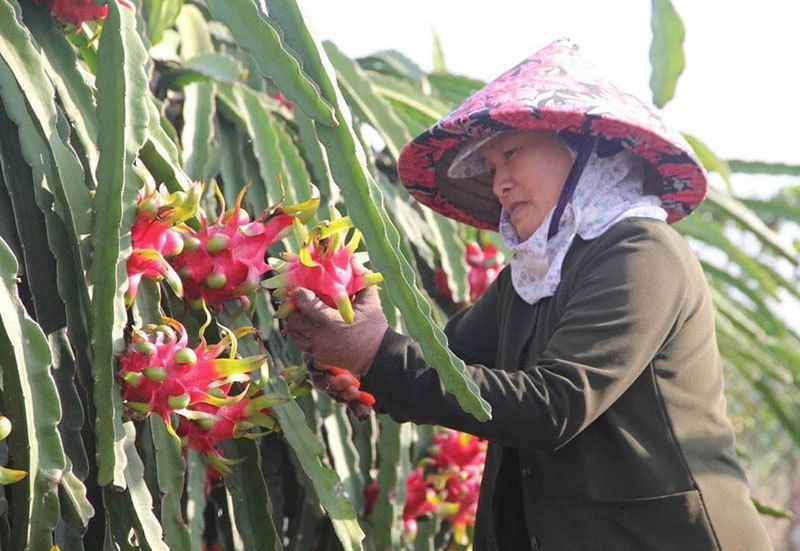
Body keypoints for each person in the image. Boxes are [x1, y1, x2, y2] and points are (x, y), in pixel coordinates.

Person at [284, 39, 772, 550]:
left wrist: (375, 353)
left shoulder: (642, 253)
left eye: (510, 155)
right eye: (492, 168)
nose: (499, 184)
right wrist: (364, 366)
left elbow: (555, 405)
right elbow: (447, 363)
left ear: (587, 146)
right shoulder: (531, 275)